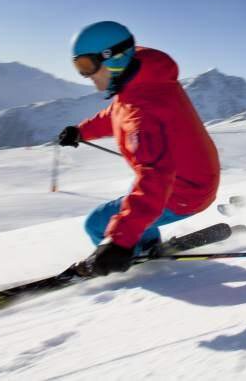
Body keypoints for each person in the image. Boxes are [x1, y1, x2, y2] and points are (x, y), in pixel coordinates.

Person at [56, 21, 220, 277]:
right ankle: (145, 244)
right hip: (192, 179)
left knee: (97, 224)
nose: (85, 75)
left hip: (183, 192)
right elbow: (116, 113)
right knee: (127, 206)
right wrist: (81, 131)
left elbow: (155, 178)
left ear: (113, 58)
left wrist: (119, 240)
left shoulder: (142, 114)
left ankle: (138, 252)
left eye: (87, 65)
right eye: (78, 67)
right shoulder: (141, 78)